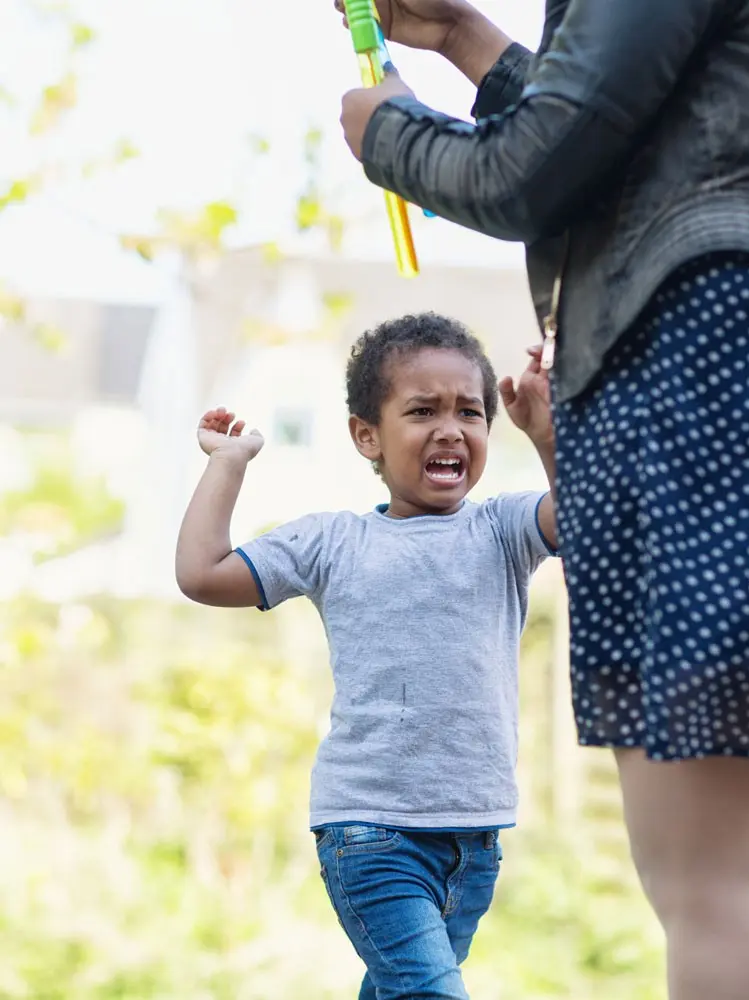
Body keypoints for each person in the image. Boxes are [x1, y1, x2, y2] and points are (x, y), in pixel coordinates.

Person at [335, 3, 749, 999]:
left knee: (710, 882)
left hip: (720, 377)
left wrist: (385, 132)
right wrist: (468, 44)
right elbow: (661, 136)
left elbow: (533, 169)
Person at [175, 313, 558, 1000]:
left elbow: (589, 516)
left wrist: (550, 435)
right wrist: (228, 464)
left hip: (474, 838)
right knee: (430, 993)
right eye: (422, 411)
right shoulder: (334, 543)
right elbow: (203, 573)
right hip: (371, 834)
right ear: (367, 436)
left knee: (397, 991)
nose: (450, 428)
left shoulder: (502, 531)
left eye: (469, 411)